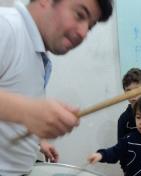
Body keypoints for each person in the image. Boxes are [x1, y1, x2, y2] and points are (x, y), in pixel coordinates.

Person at [0, 0, 113, 175]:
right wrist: (26, 111)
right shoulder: (6, 25)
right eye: (80, 15)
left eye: (89, 27)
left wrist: (38, 138)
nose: (83, 33)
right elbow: (22, 109)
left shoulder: (36, 52)